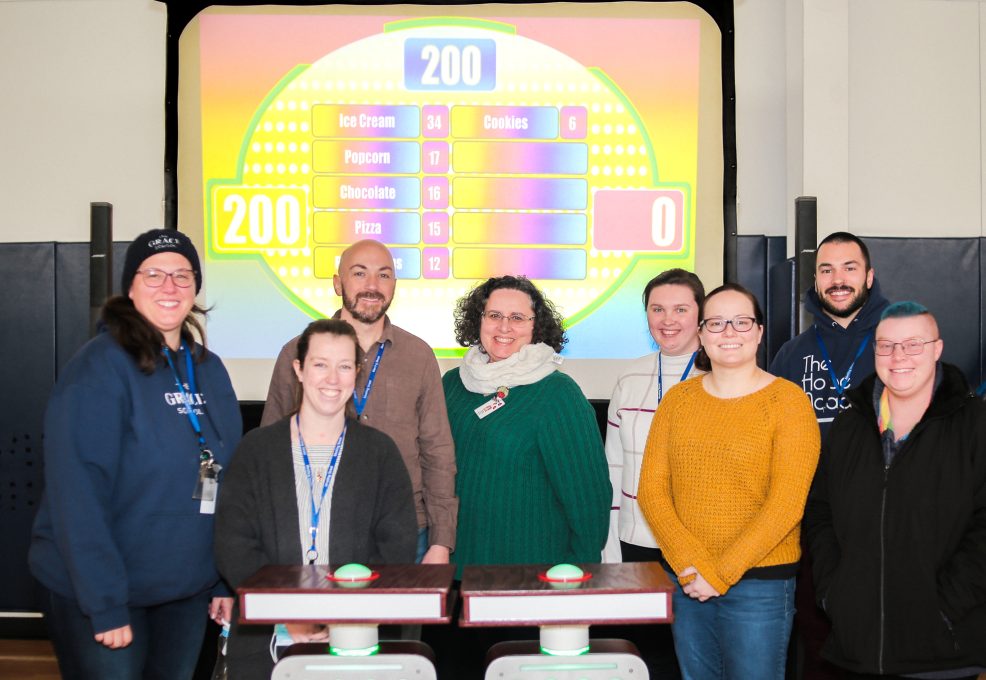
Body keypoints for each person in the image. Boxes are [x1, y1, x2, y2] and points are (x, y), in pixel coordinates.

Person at [29, 228, 243, 680]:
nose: (170, 287)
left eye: (182, 275)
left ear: (196, 287)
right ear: (130, 287)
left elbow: (231, 482)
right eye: (155, 275)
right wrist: (105, 603)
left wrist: (223, 579)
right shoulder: (97, 370)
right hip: (105, 594)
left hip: (185, 591)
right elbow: (77, 497)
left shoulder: (209, 369)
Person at [215, 319, 417, 680]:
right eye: (320, 364)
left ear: (356, 373)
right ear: (299, 370)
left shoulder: (380, 452)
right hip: (268, 639)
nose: (332, 379)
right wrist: (291, 614)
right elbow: (234, 545)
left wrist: (344, 615)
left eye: (344, 367)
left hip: (357, 637)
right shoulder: (257, 450)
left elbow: (396, 548)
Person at [638, 283, 820, 680]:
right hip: (688, 582)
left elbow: (786, 504)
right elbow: (652, 491)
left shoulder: (788, 403)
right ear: (701, 334)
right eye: (717, 323)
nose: (729, 332)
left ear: (758, 331)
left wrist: (718, 573)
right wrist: (693, 567)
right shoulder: (677, 402)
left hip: (760, 586)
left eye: (741, 322)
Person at [804, 302, 986, 679]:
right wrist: (834, 592)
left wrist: (945, 606)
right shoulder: (848, 426)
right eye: (886, 345)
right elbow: (820, 512)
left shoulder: (975, 425)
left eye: (913, 344)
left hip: (943, 650)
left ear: (937, 349)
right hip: (855, 650)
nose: (898, 356)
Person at [261, 239, 456, 565]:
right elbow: (271, 450)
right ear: (338, 283)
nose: (372, 286)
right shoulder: (297, 352)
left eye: (383, 275)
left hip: (405, 529)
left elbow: (438, 452)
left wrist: (441, 541)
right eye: (359, 273)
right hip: (317, 530)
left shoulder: (418, 356)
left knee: (399, 618)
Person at [442, 275, 610, 575]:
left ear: (536, 326)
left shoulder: (559, 394)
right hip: (457, 564)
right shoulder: (453, 384)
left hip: (531, 572)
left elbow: (588, 498)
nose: (504, 327)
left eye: (517, 318)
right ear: (478, 321)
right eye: (494, 315)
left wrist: (579, 573)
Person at [603, 268, 705, 563]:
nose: (667, 320)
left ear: (700, 315)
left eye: (680, 309)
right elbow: (614, 465)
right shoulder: (629, 377)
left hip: (699, 543)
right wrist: (610, 547)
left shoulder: (719, 376)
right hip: (636, 541)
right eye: (657, 309)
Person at [770, 231, 889, 437]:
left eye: (849, 268)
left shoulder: (898, 347)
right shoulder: (790, 355)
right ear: (816, 281)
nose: (838, 280)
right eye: (827, 271)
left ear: (869, 277)